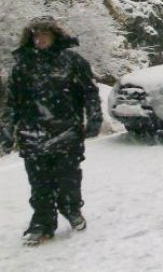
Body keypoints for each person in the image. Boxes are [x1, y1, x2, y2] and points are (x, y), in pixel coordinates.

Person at [0, 16, 102, 246]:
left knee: (68, 179)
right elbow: (12, 103)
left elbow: (90, 92)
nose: (40, 39)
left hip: (66, 133)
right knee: (40, 184)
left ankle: (72, 210)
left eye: (45, 34)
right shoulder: (23, 66)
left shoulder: (72, 62)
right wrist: (6, 131)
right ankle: (42, 224)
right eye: (36, 35)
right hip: (32, 135)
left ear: (55, 36)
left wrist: (94, 117)